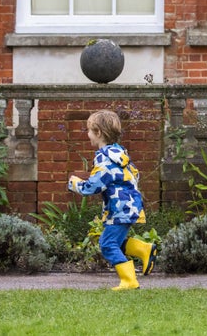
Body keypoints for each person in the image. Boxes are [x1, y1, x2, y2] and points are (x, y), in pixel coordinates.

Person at [67, 109, 157, 290]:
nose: (88, 135)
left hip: (120, 209)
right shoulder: (120, 155)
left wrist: (75, 184)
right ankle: (143, 249)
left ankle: (129, 281)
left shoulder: (105, 160)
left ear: (98, 133)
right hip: (128, 206)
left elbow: (93, 186)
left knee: (107, 244)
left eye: (89, 130)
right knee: (115, 242)